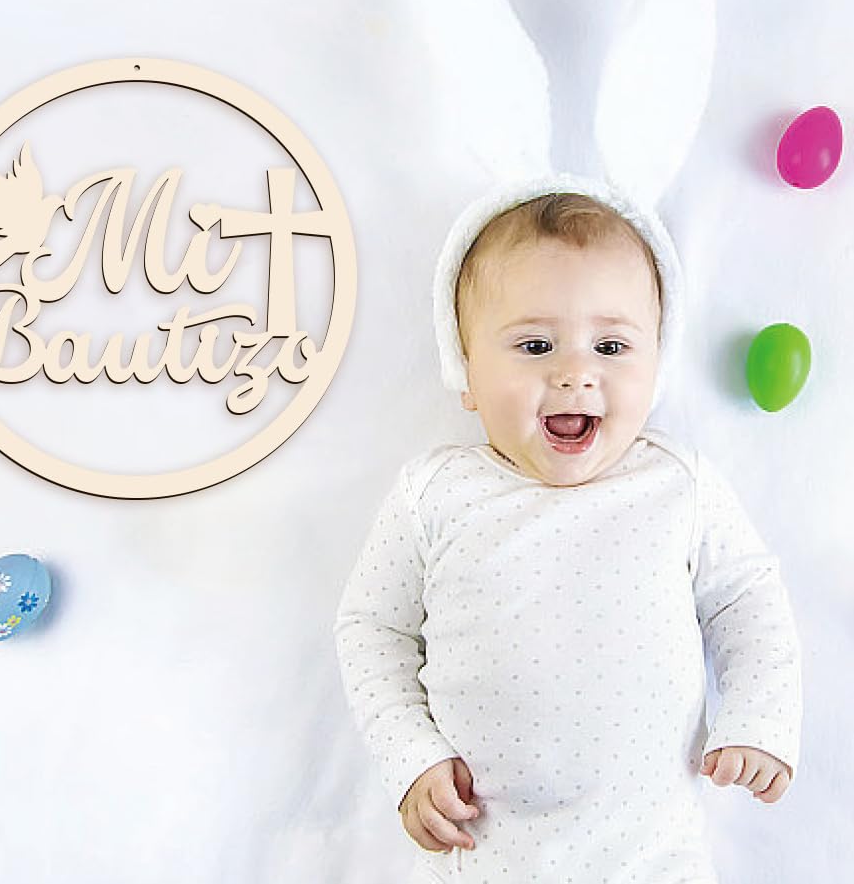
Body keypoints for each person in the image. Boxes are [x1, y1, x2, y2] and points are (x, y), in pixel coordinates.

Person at [332, 191, 803, 883]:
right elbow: (372, 628)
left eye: (611, 347)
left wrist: (759, 716)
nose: (575, 373)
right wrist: (411, 757)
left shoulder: (677, 485)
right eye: (534, 346)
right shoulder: (436, 493)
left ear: (655, 366)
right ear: (465, 371)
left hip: (652, 856)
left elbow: (748, 600)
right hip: (485, 854)